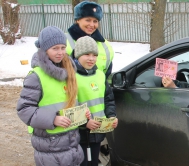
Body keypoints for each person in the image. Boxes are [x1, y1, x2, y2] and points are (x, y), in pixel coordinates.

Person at [16, 26, 90, 166]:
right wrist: (53, 119)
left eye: (63, 47)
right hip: (50, 144)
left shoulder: (69, 72)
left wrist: (81, 112)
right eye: (55, 48)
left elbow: (69, 102)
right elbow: (24, 109)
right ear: (44, 49)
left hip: (72, 141)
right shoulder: (36, 76)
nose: (60, 52)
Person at [72, 36, 118, 166]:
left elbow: (108, 99)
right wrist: (85, 122)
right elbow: (70, 105)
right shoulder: (72, 77)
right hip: (80, 134)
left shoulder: (100, 75)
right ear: (77, 55)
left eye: (94, 55)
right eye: (87, 54)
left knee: (94, 162)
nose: (91, 58)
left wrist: (111, 116)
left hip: (97, 132)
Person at [66, 1, 114, 78]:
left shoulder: (105, 46)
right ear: (77, 20)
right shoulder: (63, 42)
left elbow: (106, 76)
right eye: (88, 20)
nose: (92, 25)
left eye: (95, 21)